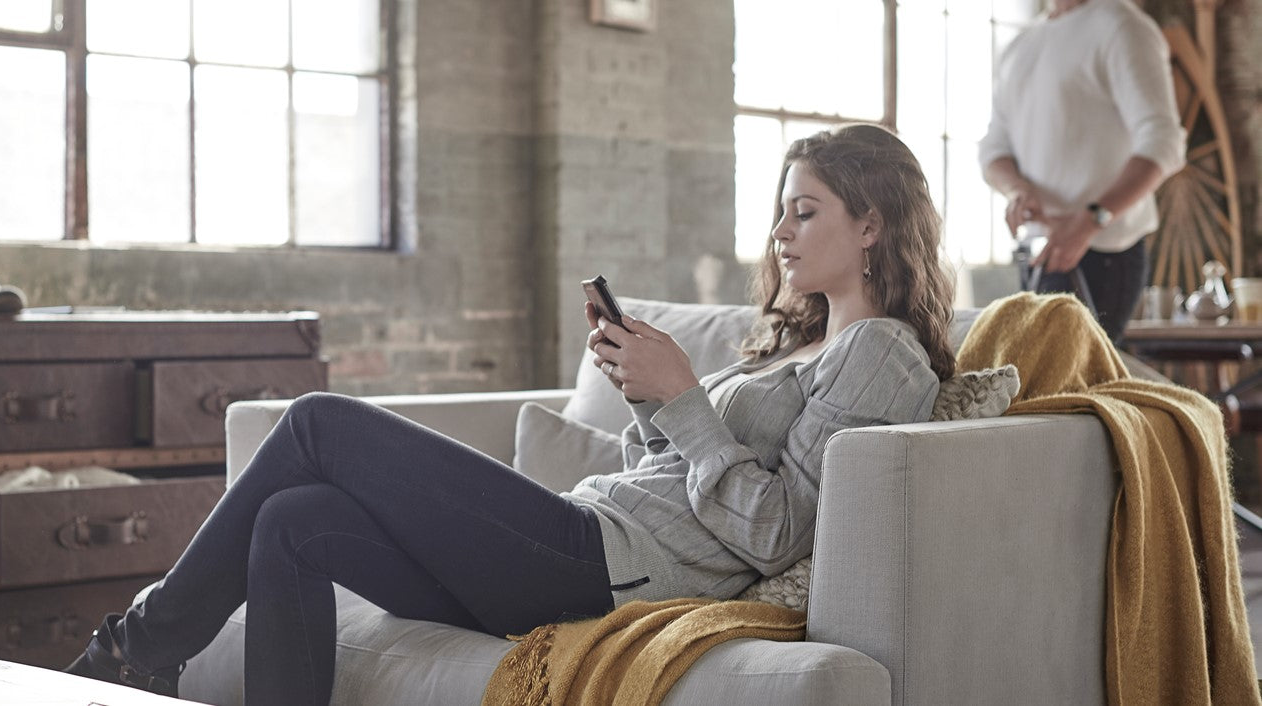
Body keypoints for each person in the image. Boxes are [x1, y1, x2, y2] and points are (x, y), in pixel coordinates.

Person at [63, 123, 956, 706]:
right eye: (779, 215)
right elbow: (682, 469)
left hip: (602, 572)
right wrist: (649, 393)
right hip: (589, 533)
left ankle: (136, 653)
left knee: (319, 424)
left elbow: (777, 532)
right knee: (299, 522)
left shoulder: (878, 352)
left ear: (872, 223)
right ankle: (145, 654)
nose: (781, 233)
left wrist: (683, 396)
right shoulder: (790, 342)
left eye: (805, 212)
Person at [980, 0, 1186, 344]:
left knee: (1082, 394)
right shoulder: (1020, 46)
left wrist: (1092, 219)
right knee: (1042, 393)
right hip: (1035, 253)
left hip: (1102, 254)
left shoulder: (1123, 27)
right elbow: (993, 149)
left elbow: (1163, 141)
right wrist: (1017, 189)